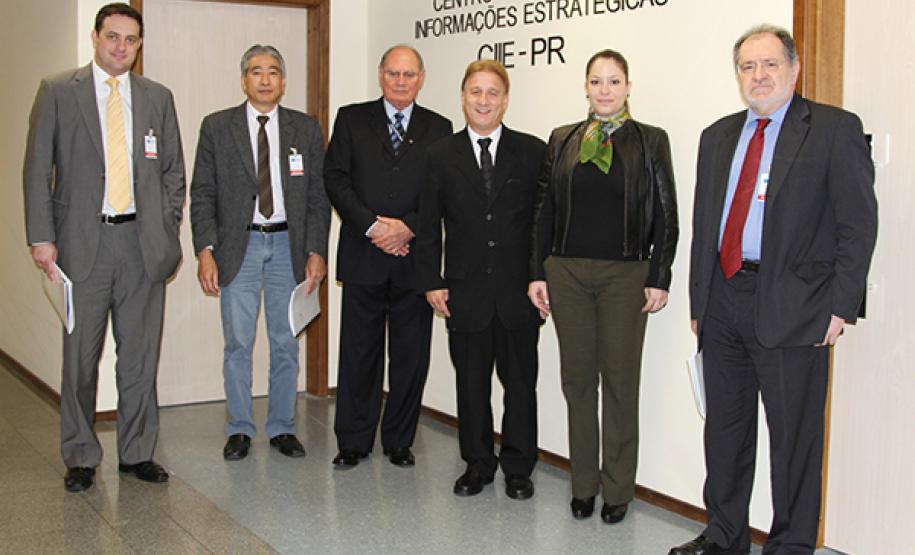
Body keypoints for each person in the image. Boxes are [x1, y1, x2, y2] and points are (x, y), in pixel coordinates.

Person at [670, 24, 877, 555]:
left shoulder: (833, 129)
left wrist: (840, 307)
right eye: (747, 66)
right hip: (723, 303)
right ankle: (724, 536)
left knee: (794, 442)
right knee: (725, 433)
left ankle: (789, 546)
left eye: (769, 65)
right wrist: (700, 302)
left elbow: (858, 225)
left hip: (798, 308)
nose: (758, 76)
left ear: (794, 69)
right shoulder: (717, 136)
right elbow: (705, 226)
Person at [23, 2, 184, 492]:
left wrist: (165, 224)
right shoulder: (57, 90)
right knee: (80, 359)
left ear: (139, 45)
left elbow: (174, 171)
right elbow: (36, 170)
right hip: (81, 245)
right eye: (112, 37)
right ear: (95, 37)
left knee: (139, 358)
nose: (121, 48)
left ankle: (137, 452)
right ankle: (80, 454)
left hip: (141, 246)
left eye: (131, 40)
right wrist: (42, 237)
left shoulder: (156, 97)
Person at [528, 49, 679, 523]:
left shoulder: (651, 141)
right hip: (568, 274)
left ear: (629, 86)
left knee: (619, 382)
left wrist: (659, 275)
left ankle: (617, 489)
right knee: (577, 382)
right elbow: (543, 211)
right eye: (597, 81)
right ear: (586, 87)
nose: (605, 90)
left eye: (614, 82)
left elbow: (667, 215)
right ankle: (583, 484)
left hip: (625, 276)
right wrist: (538, 271)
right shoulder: (563, 139)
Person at [190, 45, 330, 461]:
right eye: (256, 72)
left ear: (283, 81)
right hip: (240, 247)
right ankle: (239, 428)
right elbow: (202, 194)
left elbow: (319, 197)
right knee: (238, 342)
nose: (265, 79)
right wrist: (205, 251)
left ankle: (283, 428)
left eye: (273, 72)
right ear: (243, 80)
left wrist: (316, 250)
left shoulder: (305, 129)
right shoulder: (217, 127)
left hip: (289, 245)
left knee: (285, 342)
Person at [417, 60, 545, 499]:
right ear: (463, 97)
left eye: (493, 93)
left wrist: (538, 278)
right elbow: (429, 224)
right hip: (464, 291)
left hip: (518, 294)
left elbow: (539, 225)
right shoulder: (439, 154)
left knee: (521, 385)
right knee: (470, 384)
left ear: (505, 99)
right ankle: (477, 463)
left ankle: (518, 468)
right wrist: (432, 279)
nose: (484, 101)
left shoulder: (532, 152)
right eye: (476, 92)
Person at [325, 45, 452, 468]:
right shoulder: (351, 118)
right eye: (394, 73)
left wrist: (407, 227)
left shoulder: (440, 127)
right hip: (365, 254)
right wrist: (373, 227)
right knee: (359, 353)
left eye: (409, 74)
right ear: (381, 75)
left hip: (414, 259)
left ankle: (399, 440)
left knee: (410, 356)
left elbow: (441, 193)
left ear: (422, 78)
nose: (401, 81)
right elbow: (335, 178)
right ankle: (353, 441)